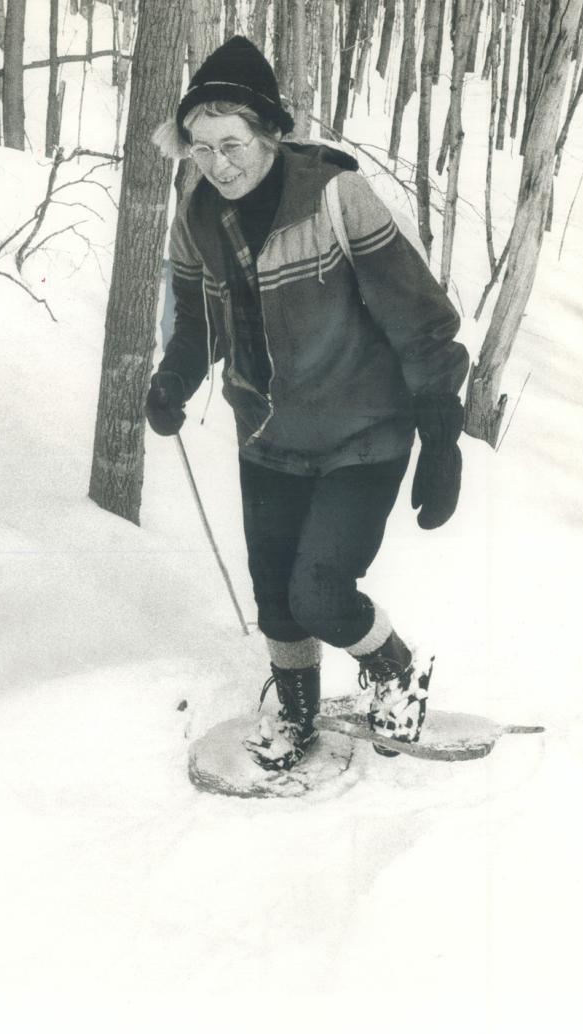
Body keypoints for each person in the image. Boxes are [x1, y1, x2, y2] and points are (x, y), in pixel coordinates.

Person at [144, 36, 468, 771]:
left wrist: (441, 436)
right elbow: (195, 328)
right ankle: (295, 713)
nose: (217, 165)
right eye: (200, 149)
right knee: (277, 601)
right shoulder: (195, 219)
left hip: (365, 430)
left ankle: (395, 670)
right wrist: (173, 383)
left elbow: (418, 317)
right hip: (268, 435)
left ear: (269, 134)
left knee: (321, 592)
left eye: (232, 144)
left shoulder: (333, 195)